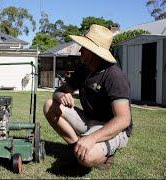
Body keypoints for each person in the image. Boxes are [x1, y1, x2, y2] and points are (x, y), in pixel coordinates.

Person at [43, 24, 133, 170]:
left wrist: (92, 138)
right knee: (49, 105)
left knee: (87, 157)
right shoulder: (83, 69)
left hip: (112, 127)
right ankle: (75, 148)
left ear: (94, 52)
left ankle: (105, 156)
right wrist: (60, 96)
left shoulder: (115, 76)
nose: (80, 50)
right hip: (89, 120)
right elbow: (59, 91)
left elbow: (123, 120)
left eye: (84, 48)